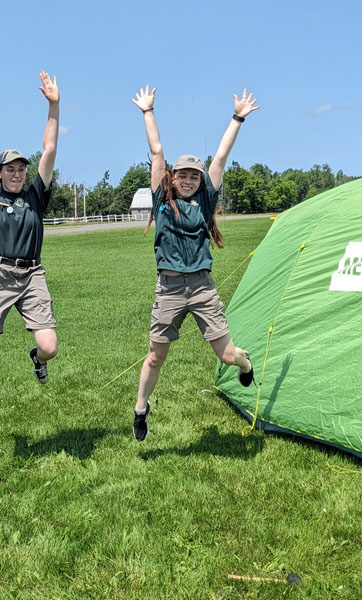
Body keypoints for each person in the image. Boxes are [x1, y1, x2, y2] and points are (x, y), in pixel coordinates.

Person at [129, 85, 260, 441]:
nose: (187, 180)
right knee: (156, 357)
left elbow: (219, 158)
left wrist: (237, 118)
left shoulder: (205, 200)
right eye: (182, 174)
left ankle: (248, 365)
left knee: (229, 355)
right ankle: (141, 409)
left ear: (200, 181)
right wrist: (147, 111)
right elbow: (156, 151)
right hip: (169, 288)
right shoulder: (160, 199)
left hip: (201, 287)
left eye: (193, 176)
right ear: (172, 177)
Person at [0, 70, 59, 383]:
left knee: (49, 346)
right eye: (11, 169)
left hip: (32, 274)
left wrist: (53, 106)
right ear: (0, 172)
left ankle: (37, 359)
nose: (18, 174)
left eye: (21, 169)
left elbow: (49, 150)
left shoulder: (35, 196)